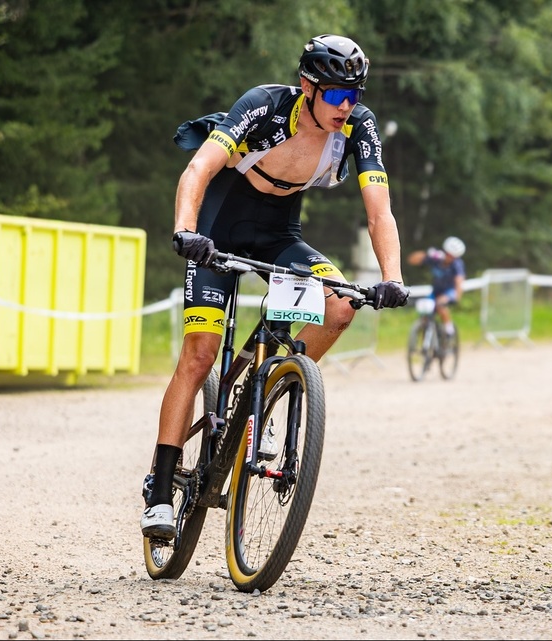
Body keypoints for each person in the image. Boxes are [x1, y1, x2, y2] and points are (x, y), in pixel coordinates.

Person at [140, 34, 409, 540]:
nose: (346, 106)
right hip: (216, 231)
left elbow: (380, 211)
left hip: (279, 236)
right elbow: (199, 169)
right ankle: (159, 491)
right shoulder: (264, 105)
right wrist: (185, 230)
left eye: (354, 94)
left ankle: (268, 390)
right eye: (336, 94)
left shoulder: (358, 125)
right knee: (200, 354)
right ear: (307, 87)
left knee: (340, 306)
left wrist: (392, 277)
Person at [407, 236, 466, 338]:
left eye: (452, 256)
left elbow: (459, 280)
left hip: (449, 291)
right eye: (447, 254)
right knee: (425, 310)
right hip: (435, 291)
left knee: (440, 305)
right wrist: (426, 254)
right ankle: (426, 332)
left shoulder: (457, 264)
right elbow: (412, 260)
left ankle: (449, 329)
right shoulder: (436, 259)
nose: (449, 257)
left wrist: (457, 296)